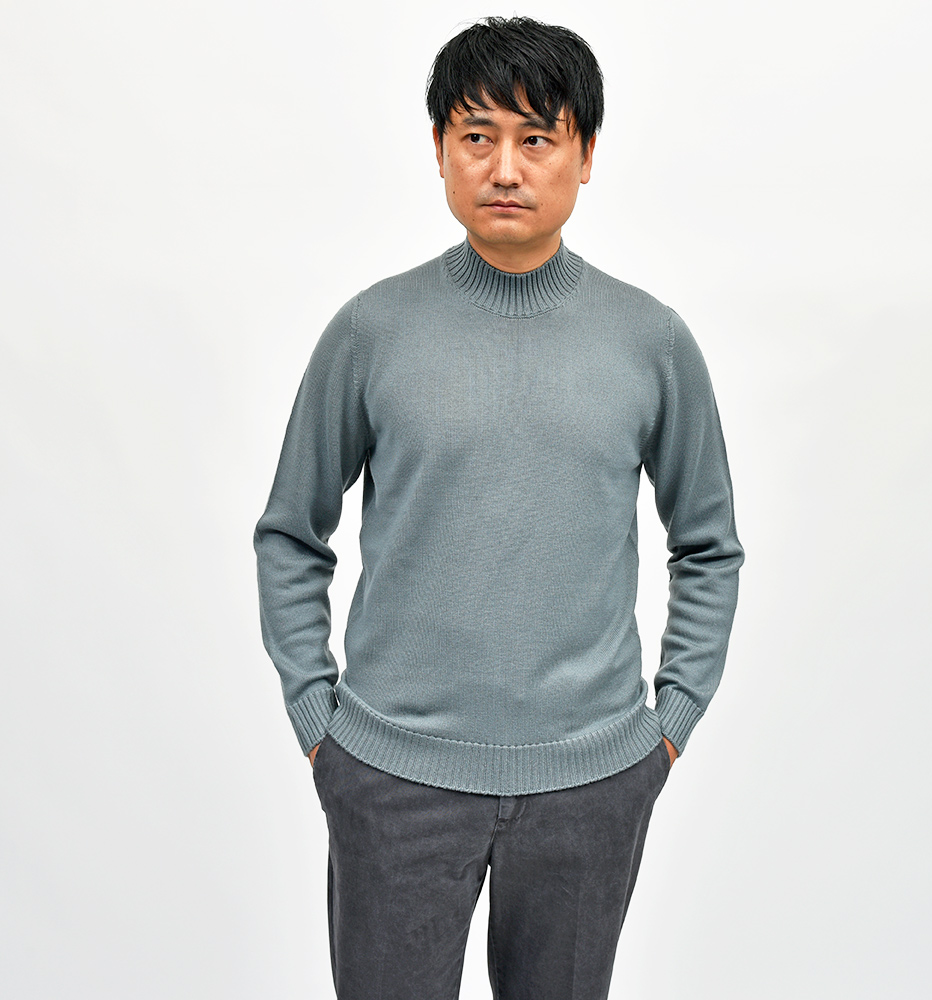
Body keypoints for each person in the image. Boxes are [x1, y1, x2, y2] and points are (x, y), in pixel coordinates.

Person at [254, 15, 744, 1000]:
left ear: (585, 155)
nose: (506, 168)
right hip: (391, 779)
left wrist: (668, 724)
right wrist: (318, 718)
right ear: (440, 150)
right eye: (477, 136)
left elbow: (707, 545)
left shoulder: (649, 341)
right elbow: (290, 534)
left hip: (590, 785)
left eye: (537, 137)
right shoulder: (370, 332)